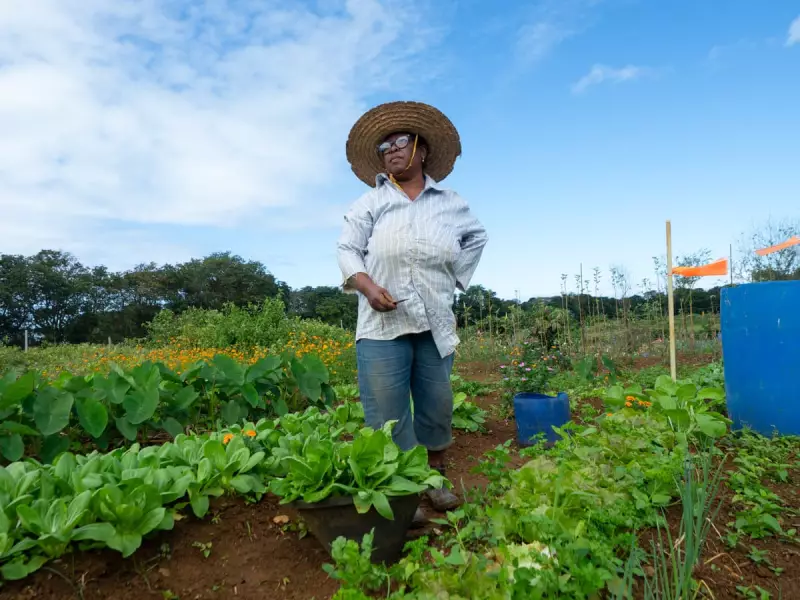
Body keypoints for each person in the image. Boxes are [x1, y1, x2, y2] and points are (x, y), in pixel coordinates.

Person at [336, 101, 488, 525]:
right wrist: (366, 287)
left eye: (400, 142)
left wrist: (453, 278)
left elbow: (476, 238)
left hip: (435, 319)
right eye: (385, 146)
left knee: (437, 402)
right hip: (382, 322)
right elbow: (347, 248)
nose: (391, 150)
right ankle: (403, 491)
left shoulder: (451, 203)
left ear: (421, 149)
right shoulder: (371, 203)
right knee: (387, 410)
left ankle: (433, 478)